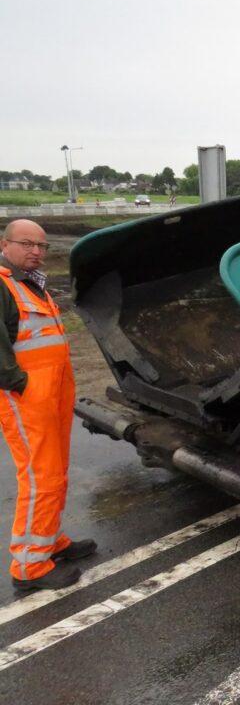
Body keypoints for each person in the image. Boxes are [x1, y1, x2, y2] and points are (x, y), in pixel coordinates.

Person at [0, 220, 96, 591]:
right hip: (26, 397)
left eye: (41, 246)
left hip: (50, 393)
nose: (36, 252)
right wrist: (20, 385)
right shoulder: (4, 284)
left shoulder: (30, 283)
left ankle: (49, 539)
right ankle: (29, 565)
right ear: (5, 244)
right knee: (40, 477)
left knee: (55, 471)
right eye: (27, 244)